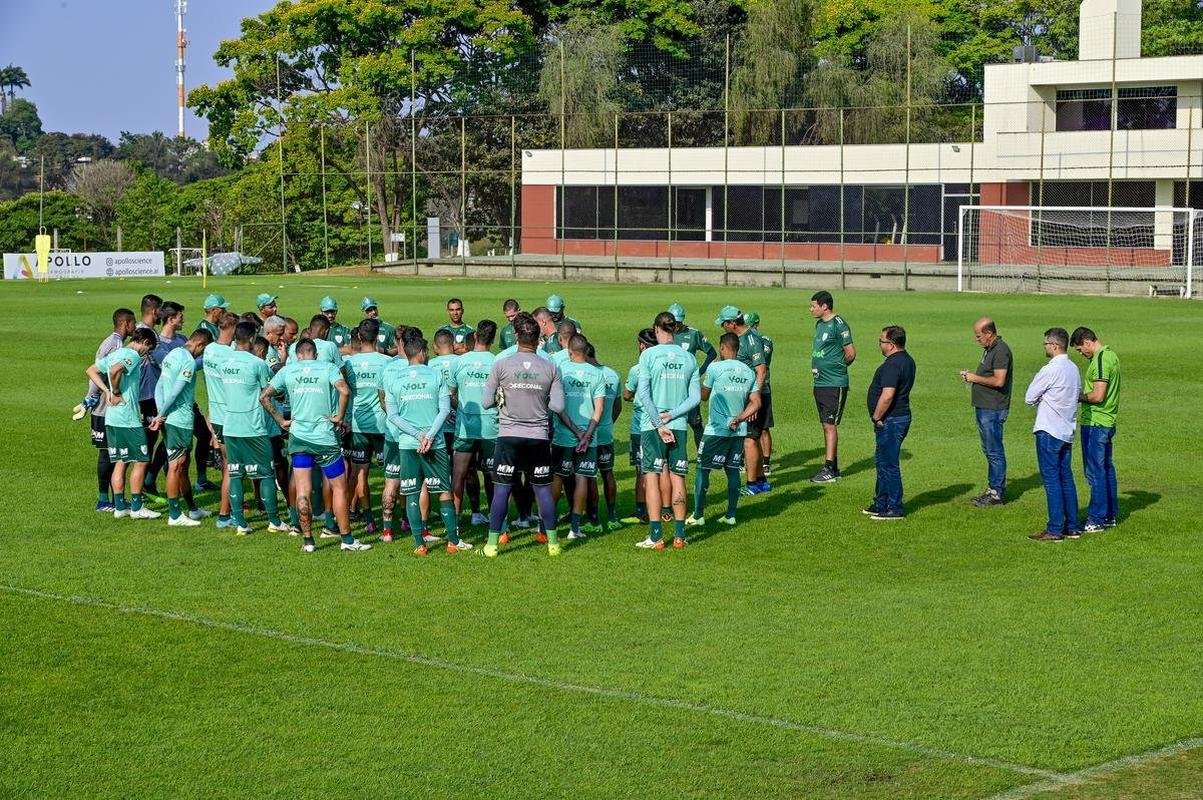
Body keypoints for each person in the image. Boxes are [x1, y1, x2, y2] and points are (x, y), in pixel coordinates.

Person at [263, 339, 371, 553]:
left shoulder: (288, 370)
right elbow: (345, 391)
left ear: (298, 354)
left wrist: (281, 421)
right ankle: (347, 539)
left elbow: (264, 396)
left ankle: (308, 541)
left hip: (299, 438)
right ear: (315, 353)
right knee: (339, 488)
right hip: (325, 440)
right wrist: (339, 417)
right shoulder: (328, 368)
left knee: (303, 488)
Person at [481, 313, 566, 557]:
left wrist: (503, 397)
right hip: (538, 435)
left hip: (508, 435)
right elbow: (558, 407)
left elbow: (486, 401)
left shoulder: (501, 365)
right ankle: (553, 544)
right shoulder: (551, 367)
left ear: (516, 336)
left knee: (501, 490)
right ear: (538, 337)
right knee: (542, 490)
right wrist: (539, 404)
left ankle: (492, 545)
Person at [381, 336, 468, 555]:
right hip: (435, 443)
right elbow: (445, 410)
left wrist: (418, 435)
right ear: (421, 352)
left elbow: (392, 415)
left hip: (408, 444)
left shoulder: (394, 379)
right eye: (426, 351)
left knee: (411, 492)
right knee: (443, 491)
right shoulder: (436, 374)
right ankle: (453, 542)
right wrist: (428, 435)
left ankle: (420, 544)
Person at [635, 312, 701, 549]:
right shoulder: (689, 358)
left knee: (652, 477)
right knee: (678, 477)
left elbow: (643, 394)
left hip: (652, 425)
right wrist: (673, 416)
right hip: (679, 425)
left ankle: (656, 536)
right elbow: (695, 397)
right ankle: (680, 536)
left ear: (656, 329)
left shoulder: (648, 355)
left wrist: (660, 424)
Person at [85, 327, 162, 519]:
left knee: (120, 461)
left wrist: (106, 391)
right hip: (128, 419)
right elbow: (115, 370)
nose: (147, 354)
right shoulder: (132, 355)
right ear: (144, 342)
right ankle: (136, 508)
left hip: (112, 418)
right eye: (149, 348)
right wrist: (116, 391)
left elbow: (91, 370)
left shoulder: (117, 353)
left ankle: (119, 507)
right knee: (142, 460)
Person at [687, 332, 761, 528]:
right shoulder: (748, 371)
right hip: (738, 431)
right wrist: (740, 418)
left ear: (722, 347)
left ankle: (698, 515)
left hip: (715, 431)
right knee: (733, 471)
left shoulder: (715, 368)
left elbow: (703, 396)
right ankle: (730, 515)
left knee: (703, 470)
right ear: (738, 348)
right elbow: (756, 403)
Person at [221, 321, 287, 535]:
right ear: (251, 339)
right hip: (254, 427)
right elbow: (270, 393)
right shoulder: (258, 364)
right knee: (267, 474)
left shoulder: (225, 362)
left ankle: (240, 523)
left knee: (236, 474)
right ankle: (274, 522)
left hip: (230, 426)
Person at [77, 307, 137, 511]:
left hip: (104, 405)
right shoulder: (116, 344)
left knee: (112, 453)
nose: (135, 327)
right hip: (104, 408)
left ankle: (114, 499)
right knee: (107, 453)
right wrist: (90, 399)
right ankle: (104, 500)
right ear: (126, 323)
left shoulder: (111, 341)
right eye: (133, 322)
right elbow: (100, 373)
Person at [1025, 328, 1082, 541]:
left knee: (1051, 480)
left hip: (1049, 430)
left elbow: (1030, 397)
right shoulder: (1074, 369)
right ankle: (1072, 526)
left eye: (1046, 344)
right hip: (1067, 430)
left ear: (1055, 345)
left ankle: (1055, 528)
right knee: (1066, 478)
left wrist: (1043, 399)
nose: (1045, 347)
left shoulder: (1050, 369)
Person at [153, 328, 213, 526]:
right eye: (202, 351)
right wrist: (162, 414)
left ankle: (192, 509)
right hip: (179, 420)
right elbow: (176, 392)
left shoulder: (172, 354)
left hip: (168, 417)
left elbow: (159, 386)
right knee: (176, 466)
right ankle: (175, 515)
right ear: (200, 345)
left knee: (183, 466)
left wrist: (160, 412)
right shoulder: (187, 360)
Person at [551, 334, 606, 541]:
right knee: (582, 477)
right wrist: (587, 435)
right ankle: (575, 528)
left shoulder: (561, 372)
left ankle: (545, 523)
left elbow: (558, 407)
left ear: (569, 351)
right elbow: (599, 409)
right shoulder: (597, 374)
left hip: (565, 435)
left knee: (558, 476)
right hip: (589, 437)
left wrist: (575, 432)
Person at [449, 320, 499, 528]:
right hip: (491, 427)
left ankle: (455, 521)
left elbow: (451, 394)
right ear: (493, 339)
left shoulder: (459, 361)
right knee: (493, 474)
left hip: (465, 427)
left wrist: (461, 406)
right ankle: (498, 521)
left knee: (459, 474)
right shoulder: (497, 361)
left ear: (476, 335)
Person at [1071, 327, 1120, 532]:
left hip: (1096, 423)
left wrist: (1075, 396)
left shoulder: (1100, 360)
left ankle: (1096, 519)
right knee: (1106, 469)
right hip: (1107, 422)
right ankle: (1109, 515)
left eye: (1081, 349)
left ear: (1088, 342)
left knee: (1095, 472)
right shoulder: (1111, 356)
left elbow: (1098, 396)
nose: (1082, 354)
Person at [960, 318, 1013, 507]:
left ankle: (996, 493)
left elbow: (999, 381)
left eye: (978, 335)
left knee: (994, 450)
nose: (977, 339)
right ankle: (992, 488)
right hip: (986, 407)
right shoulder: (991, 349)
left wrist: (974, 378)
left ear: (989, 333)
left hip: (993, 408)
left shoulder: (1000, 350)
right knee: (989, 450)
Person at [715, 305, 768, 494]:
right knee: (752, 437)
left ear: (731, 323)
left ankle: (752, 485)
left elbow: (761, 370)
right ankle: (761, 481)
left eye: (723, 324)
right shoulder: (740, 338)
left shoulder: (751, 339)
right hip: (748, 396)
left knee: (749, 440)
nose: (722, 328)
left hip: (753, 397)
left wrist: (753, 401)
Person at [342, 328, 391, 533]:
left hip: (358, 425)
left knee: (359, 473)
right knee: (392, 474)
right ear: (378, 335)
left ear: (359, 337)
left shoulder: (348, 364)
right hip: (383, 425)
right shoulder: (387, 362)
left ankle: (369, 519)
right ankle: (396, 518)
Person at [865, 325, 916, 521]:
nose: (879, 344)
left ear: (892, 345)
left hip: (891, 419)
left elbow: (887, 395)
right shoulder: (907, 360)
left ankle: (894, 506)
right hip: (897, 417)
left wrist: (877, 417)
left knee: (889, 464)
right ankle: (881, 502)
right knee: (882, 461)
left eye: (881, 341)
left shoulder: (893, 365)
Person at [809, 291, 855, 483]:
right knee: (825, 424)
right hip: (820, 382)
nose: (811, 309)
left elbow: (851, 353)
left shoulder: (839, 324)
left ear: (824, 306)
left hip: (834, 383)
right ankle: (832, 467)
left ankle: (829, 469)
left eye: (813, 306)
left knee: (830, 425)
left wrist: (836, 369)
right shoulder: (820, 324)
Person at [144, 301, 188, 498]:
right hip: (161, 400)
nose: (183, 319)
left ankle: (158, 478)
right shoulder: (157, 345)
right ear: (171, 319)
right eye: (180, 316)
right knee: (159, 441)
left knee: (200, 435)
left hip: (183, 401)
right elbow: (169, 366)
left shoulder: (182, 339)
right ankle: (150, 480)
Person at [202, 312, 239, 527]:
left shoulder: (209, 350)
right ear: (233, 329)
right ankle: (226, 515)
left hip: (216, 414)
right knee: (231, 468)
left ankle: (227, 513)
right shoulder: (230, 354)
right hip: (231, 416)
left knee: (228, 466)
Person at [620, 328, 657, 524]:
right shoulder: (662, 366)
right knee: (662, 468)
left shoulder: (637, 369)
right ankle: (664, 509)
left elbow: (626, 395)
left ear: (642, 345)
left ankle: (642, 511)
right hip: (661, 424)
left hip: (640, 428)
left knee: (642, 470)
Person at [669, 303, 716, 451]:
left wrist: (700, 371)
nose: (676, 326)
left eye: (678, 323)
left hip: (689, 384)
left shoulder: (694, 334)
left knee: (695, 423)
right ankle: (671, 455)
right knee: (670, 420)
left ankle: (702, 455)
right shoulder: (664, 335)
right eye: (673, 323)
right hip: (669, 383)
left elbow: (712, 353)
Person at [586, 343, 623, 532]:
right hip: (607, 433)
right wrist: (608, 422)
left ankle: (594, 521)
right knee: (608, 473)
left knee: (591, 476)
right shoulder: (613, 374)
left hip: (589, 434)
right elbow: (618, 407)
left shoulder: (587, 375)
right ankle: (612, 516)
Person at [744, 311, 775, 479]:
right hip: (747, 390)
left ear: (756, 325)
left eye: (751, 326)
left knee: (763, 429)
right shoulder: (745, 341)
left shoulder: (765, 341)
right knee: (747, 429)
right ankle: (745, 461)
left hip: (762, 389)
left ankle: (765, 462)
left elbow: (761, 363)